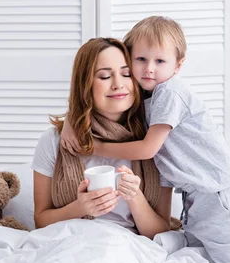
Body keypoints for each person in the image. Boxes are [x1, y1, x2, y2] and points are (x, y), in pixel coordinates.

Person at [61, 17, 230, 263]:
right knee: (205, 256)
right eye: (140, 59)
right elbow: (90, 103)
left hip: (218, 189)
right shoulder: (145, 98)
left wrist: (94, 146)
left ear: (178, 66)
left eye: (160, 61)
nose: (149, 68)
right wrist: (69, 122)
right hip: (197, 192)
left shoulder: (170, 92)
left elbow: (148, 149)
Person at [33, 38, 173, 239]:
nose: (118, 84)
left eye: (126, 74)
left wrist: (135, 197)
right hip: (69, 243)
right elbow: (41, 221)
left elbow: (161, 232)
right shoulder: (55, 140)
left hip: (129, 246)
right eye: (105, 76)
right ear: (85, 83)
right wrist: (80, 207)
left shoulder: (155, 141)